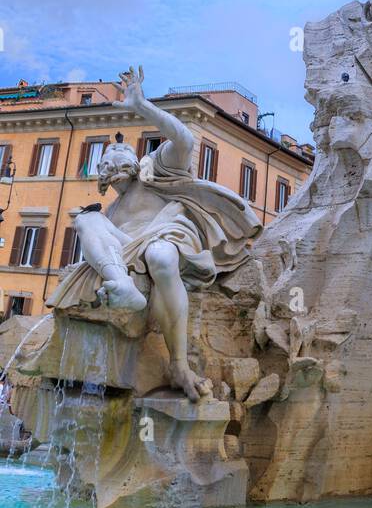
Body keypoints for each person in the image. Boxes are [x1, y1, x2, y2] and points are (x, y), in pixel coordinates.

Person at [50, 66, 261, 400]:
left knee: (160, 255)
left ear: (135, 163)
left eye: (122, 155)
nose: (114, 160)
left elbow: (185, 140)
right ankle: (122, 287)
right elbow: (99, 241)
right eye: (107, 159)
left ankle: (179, 364)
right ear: (102, 175)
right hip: (124, 256)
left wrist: (141, 106)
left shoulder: (155, 172)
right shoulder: (111, 213)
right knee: (85, 219)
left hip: (167, 239)